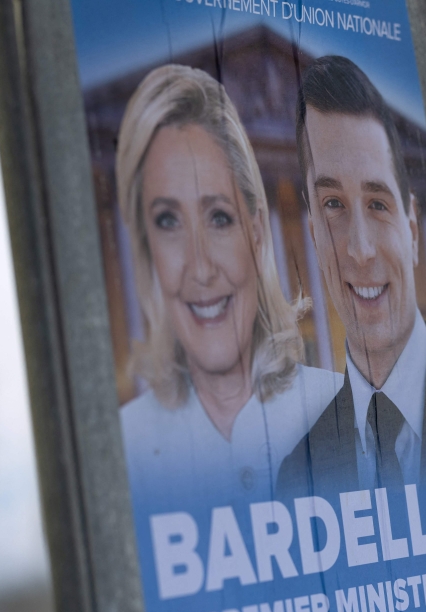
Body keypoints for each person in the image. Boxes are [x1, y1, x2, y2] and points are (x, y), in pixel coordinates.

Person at [114, 64, 341, 510]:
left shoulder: (342, 417)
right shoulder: (125, 450)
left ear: (256, 232)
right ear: (146, 249)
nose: (200, 268)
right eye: (168, 222)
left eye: (219, 217)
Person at [276, 56, 426, 500]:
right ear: (312, 235)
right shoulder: (297, 477)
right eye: (333, 205)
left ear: (412, 229)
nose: (360, 249)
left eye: (377, 203)